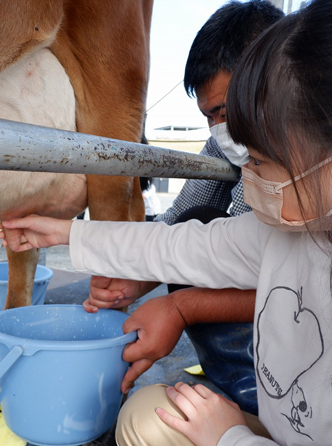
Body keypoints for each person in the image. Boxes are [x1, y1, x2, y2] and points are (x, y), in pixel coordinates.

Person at [0, 0, 332, 444]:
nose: (245, 173)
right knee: (148, 417)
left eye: (258, 160)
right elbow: (183, 244)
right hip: (283, 432)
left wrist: (230, 437)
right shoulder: (303, 225)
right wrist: (64, 232)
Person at [82, 0, 285, 416]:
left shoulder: (321, 161)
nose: (219, 130)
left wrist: (181, 307)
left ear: (275, 76)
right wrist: (137, 280)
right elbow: (183, 229)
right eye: (209, 117)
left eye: (224, 112)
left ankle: (261, 407)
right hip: (276, 291)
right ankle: (240, 389)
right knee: (198, 222)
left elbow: (302, 278)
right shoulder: (229, 144)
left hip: (319, 331)